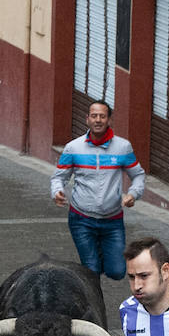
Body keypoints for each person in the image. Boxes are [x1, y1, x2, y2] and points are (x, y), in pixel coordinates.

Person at [51, 101, 145, 281]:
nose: (98, 120)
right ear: (87, 119)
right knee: (91, 271)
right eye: (94, 116)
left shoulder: (122, 147)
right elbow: (59, 177)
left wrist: (133, 194)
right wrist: (57, 191)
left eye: (102, 116)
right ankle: (93, 304)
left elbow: (138, 175)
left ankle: (101, 252)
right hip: (81, 219)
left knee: (117, 272)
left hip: (112, 220)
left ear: (109, 120)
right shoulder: (73, 148)